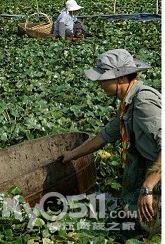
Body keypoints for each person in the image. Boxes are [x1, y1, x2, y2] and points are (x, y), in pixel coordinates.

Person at [61, 49, 160, 227]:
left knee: (154, 227)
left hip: (158, 171)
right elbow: (104, 137)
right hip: (150, 167)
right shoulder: (128, 103)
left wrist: (148, 187)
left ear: (121, 78)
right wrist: (72, 155)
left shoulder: (143, 102)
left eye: (103, 78)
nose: (99, 83)